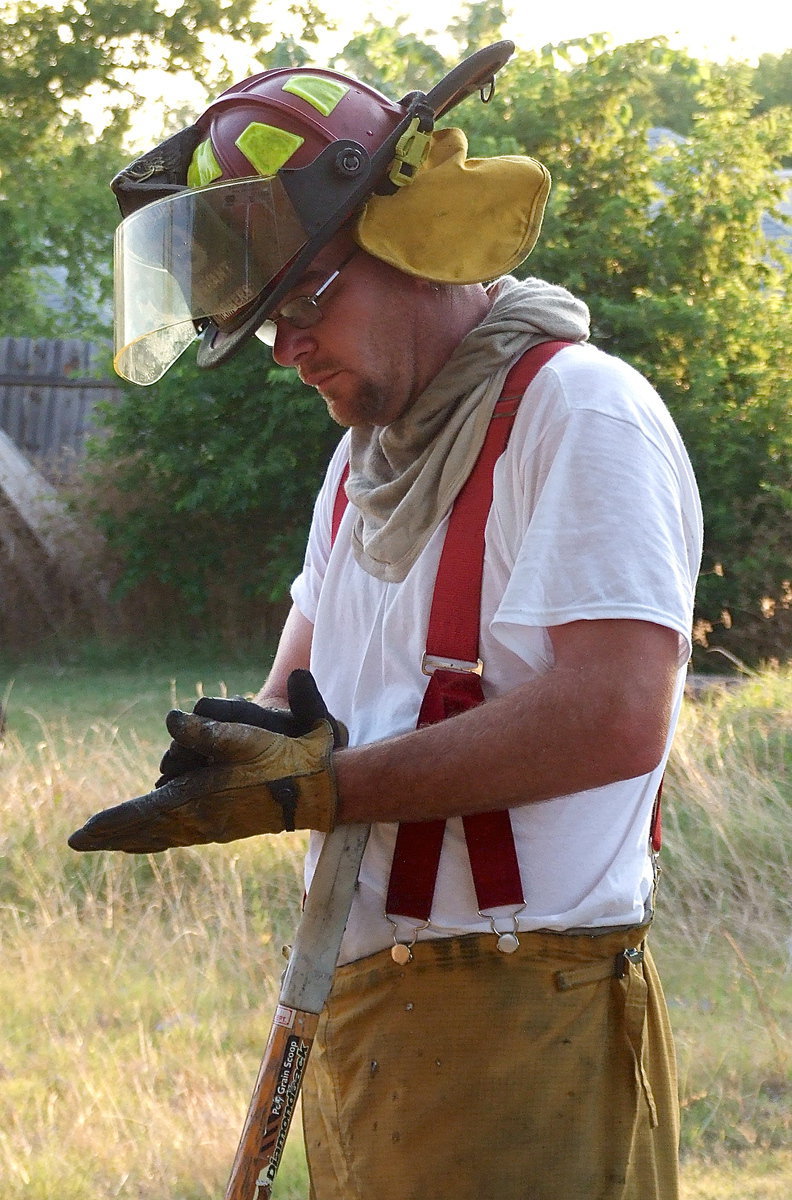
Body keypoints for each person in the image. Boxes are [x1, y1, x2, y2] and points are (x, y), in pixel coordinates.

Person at [69, 41, 703, 1200]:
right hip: (358, 1016)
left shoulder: (579, 413)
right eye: (264, 323)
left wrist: (330, 789)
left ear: (412, 238)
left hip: (529, 1024)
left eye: (305, 298)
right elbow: (299, 696)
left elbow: (616, 717)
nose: (285, 347)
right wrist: (237, 753)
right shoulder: (360, 468)